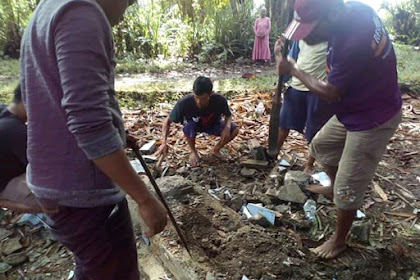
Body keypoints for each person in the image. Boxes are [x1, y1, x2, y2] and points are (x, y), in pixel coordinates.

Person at [20, 0, 168, 279]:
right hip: (85, 193)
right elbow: (89, 125)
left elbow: (48, 101)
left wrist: (117, 134)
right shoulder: (82, 13)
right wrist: (144, 199)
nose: (131, 4)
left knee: (92, 268)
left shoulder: (48, 8)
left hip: (53, 183)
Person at [278, 0, 402, 259]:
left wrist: (293, 69)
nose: (308, 36)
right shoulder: (353, 11)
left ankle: (339, 240)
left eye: (311, 28)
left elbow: (331, 93)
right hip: (355, 107)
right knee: (321, 146)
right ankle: (335, 188)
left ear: (331, 15)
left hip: (372, 118)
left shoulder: (352, 42)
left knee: (348, 187)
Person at [274, 37, 333, 174]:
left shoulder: (331, 40)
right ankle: (274, 154)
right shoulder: (301, 38)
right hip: (296, 87)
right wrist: (282, 81)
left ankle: (309, 165)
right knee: (284, 124)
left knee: (315, 131)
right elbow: (292, 58)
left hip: (316, 90)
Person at [156, 76, 239, 166]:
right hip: (193, 125)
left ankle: (216, 149)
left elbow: (228, 115)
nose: (199, 101)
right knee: (189, 127)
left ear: (211, 94)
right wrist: (164, 142)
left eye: (203, 99)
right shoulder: (184, 103)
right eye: (196, 97)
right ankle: (193, 152)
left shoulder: (219, 100)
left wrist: (227, 127)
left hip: (213, 124)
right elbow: (167, 121)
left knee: (234, 130)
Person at [0, 84, 42, 213]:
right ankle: (3, 202)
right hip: (4, 183)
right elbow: (42, 168)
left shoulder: (3, 109)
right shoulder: (16, 131)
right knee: (54, 202)